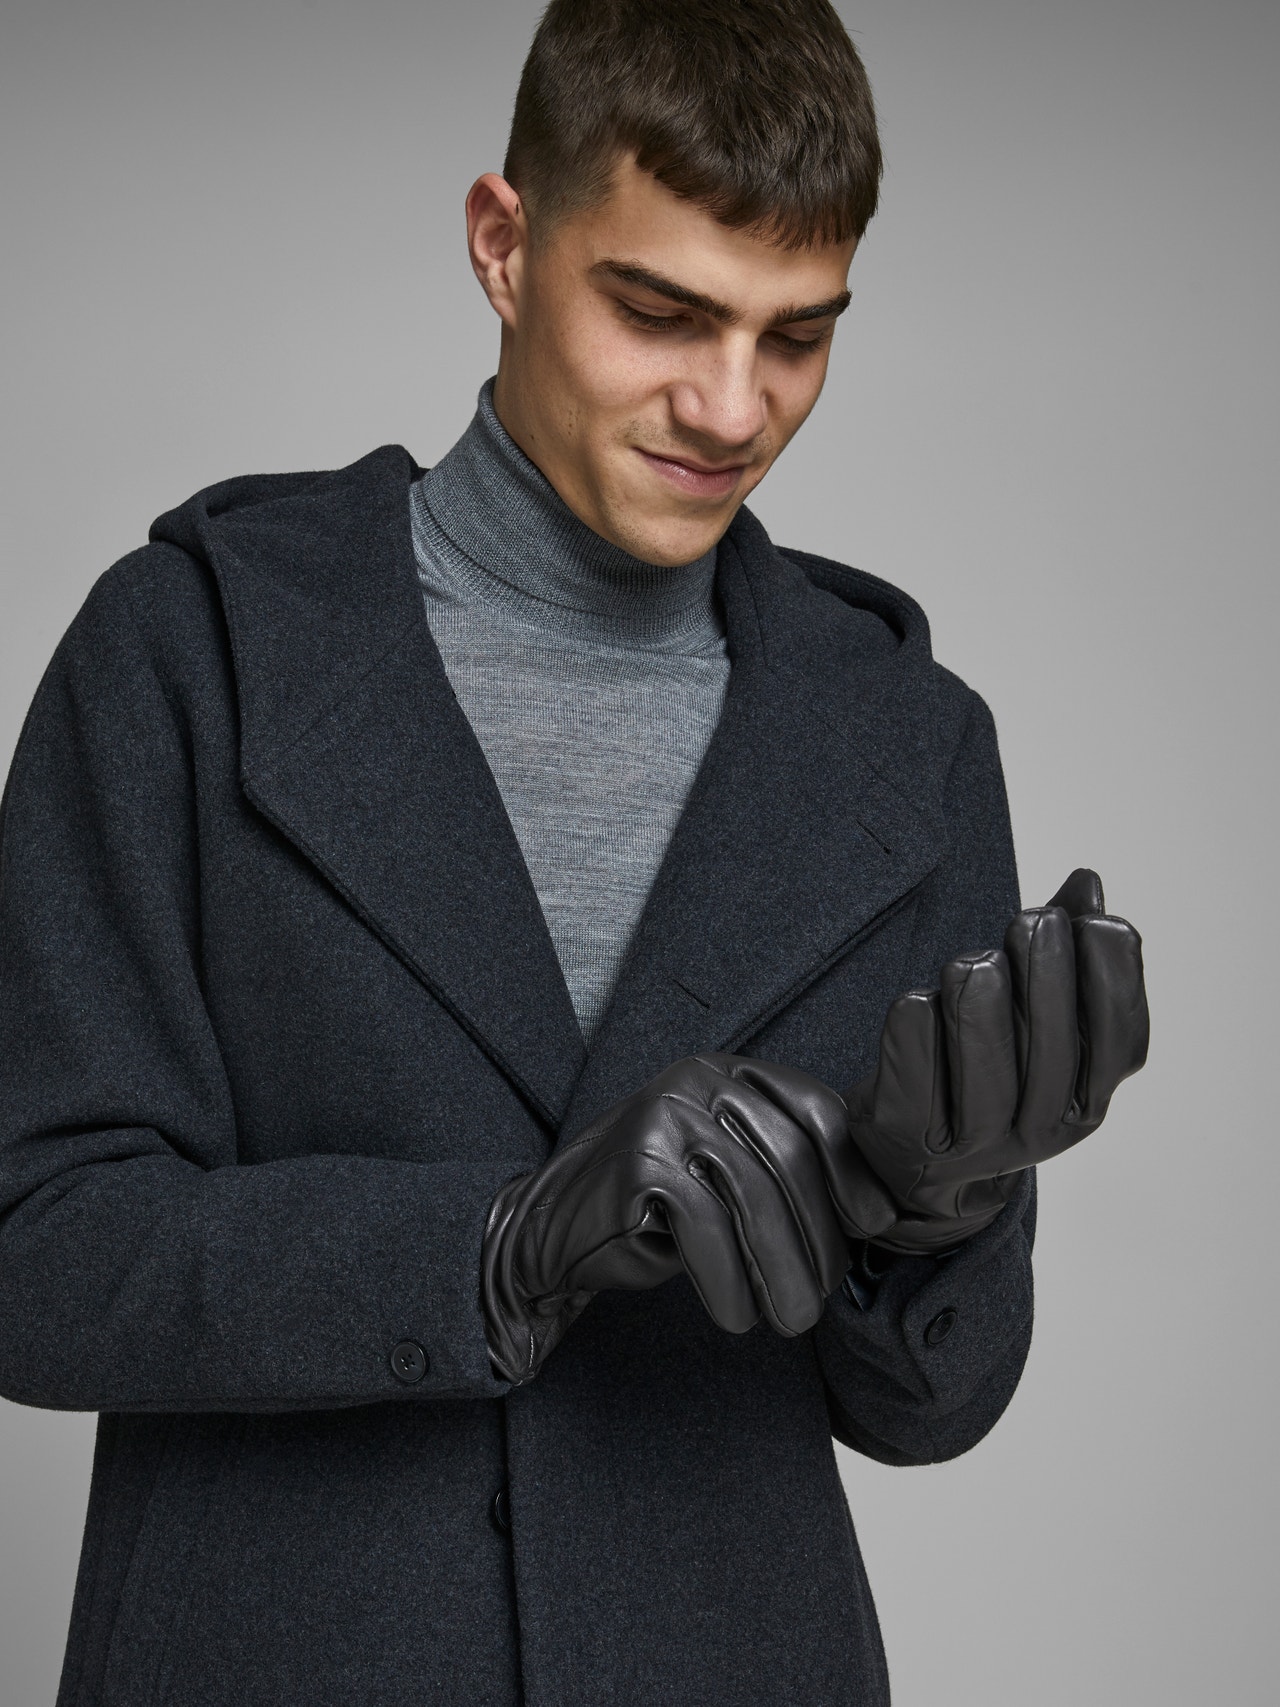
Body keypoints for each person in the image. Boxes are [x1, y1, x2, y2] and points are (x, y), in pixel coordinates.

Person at [0, 2, 1147, 1703]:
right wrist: (500, 1242)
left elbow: (933, 1410)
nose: (732, 404)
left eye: (798, 335)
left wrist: (940, 1218)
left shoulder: (907, 742)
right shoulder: (191, 653)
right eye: (660, 311)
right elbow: (35, 1249)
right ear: (503, 244)